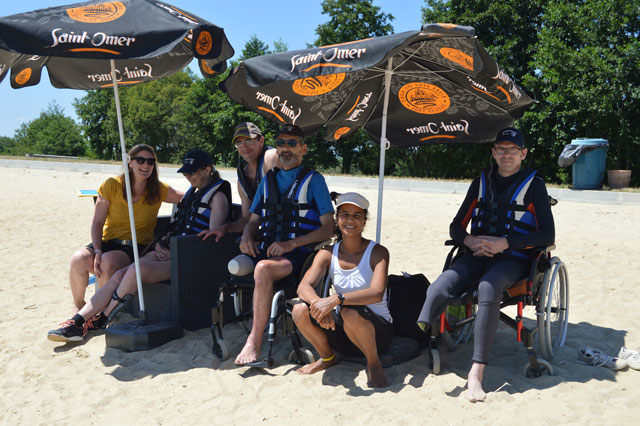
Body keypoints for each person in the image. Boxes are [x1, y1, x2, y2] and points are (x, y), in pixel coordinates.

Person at [416, 128, 555, 402]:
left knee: (488, 288)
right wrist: (469, 240)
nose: (506, 154)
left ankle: (476, 372)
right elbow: (456, 226)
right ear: (493, 153)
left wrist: (506, 243)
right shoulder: (480, 182)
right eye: (500, 149)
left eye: (512, 150)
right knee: (440, 286)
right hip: (476, 254)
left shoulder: (534, 185)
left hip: (513, 259)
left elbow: (547, 235)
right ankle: (421, 329)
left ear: (523, 154)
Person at [48, 149, 232, 342]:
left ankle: (100, 320)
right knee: (121, 273)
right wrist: (161, 244)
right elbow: (175, 226)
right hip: (170, 251)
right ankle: (77, 321)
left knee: (136, 269)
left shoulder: (217, 196)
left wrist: (177, 250)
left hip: (188, 258)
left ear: (207, 170)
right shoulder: (193, 193)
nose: (187, 176)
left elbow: (212, 241)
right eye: (185, 172)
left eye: (191, 172)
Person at [234, 124, 335, 365]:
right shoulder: (267, 180)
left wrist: (291, 244)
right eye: (281, 143)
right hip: (268, 250)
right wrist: (248, 235)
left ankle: (254, 341)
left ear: (303, 149)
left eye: (292, 143)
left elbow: (328, 228)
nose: (285, 148)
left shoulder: (314, 180)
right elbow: (253, 220)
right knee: (234, 264)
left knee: (262, 269)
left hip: (298, 255)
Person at [292, 192, 392, 388]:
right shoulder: (327, 253)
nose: (350, 220)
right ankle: (327, 357)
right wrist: (318, 305)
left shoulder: (378, 252)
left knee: (348, 311)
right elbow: (303, 287)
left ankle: (374, 364)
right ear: (337, 220)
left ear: (364, 221)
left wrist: (336, 300)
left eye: (357, 215)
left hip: (377, 332)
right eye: (345, 214)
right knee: (299, 310)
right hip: (343, 330)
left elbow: (377, 293)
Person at [68, 144, 182, 314]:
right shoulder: (112, 185)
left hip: (137, 247)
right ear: (130, 162)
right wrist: (97, 250)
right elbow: (98, 222)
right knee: (78, 259)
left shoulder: (157, 189)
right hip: (107, 241)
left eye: (150, 162)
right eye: (140, 160)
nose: (145, 165)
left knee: (108, 261)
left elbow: (185, 198)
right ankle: (78, 305)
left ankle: (103, 311)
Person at [199, 122, 279, 241]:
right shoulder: (242, 180)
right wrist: (224, 229)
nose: (244, 147)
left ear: (261, 141)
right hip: (270, 235)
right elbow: (246, 220)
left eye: (249, 141)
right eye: (239, 143)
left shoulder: (271, 157)